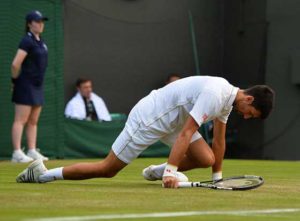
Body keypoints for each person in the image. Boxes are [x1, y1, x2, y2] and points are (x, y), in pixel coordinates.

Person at [16, 76, 275, 189]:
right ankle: (41, 174)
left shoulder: (228, 101)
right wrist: (172, 173)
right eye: (250, 114)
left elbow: (218, 142)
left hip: (173, 121)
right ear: (249, 100)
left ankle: (155, 171)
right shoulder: (216, 93)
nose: (246, 117)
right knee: (107, 169)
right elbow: (186, 134)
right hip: (150, 118)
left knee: (205, 158)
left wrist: (218, 177)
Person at [11, 10, 49, 163]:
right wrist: (14, 82)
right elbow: (15, 64)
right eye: (37, 21)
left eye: (42, 21)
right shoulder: (26, 41)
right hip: (25, 84)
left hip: (37, 85)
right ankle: (17, 152)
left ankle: (32, 150)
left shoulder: (41, 41)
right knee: (21, 119)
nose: (40, 24)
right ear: (29, 24)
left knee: (33, 121)